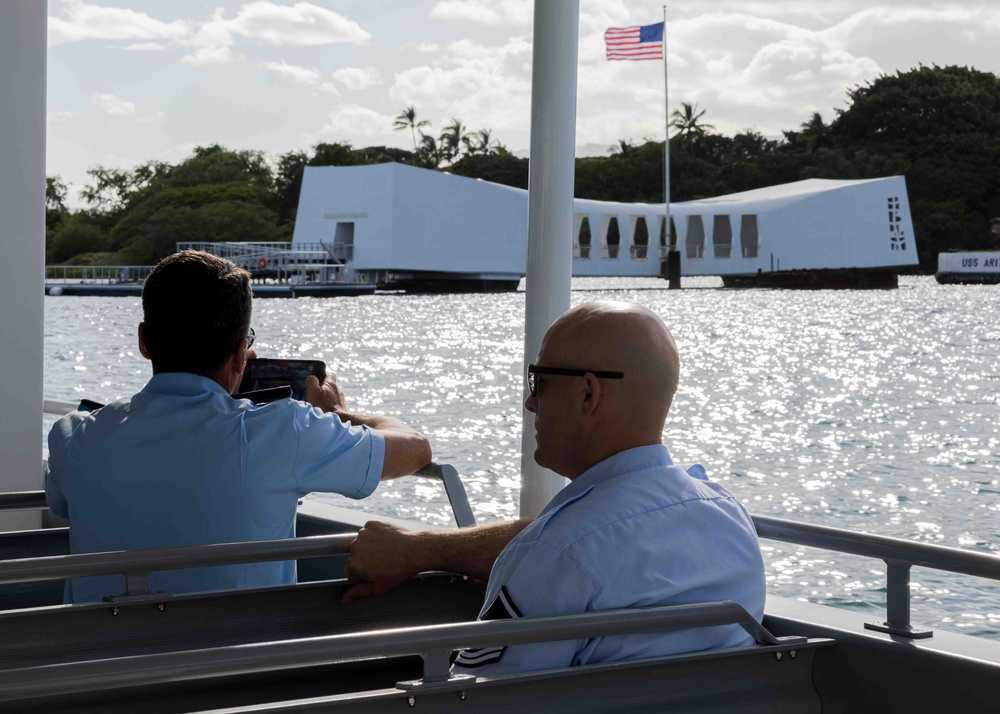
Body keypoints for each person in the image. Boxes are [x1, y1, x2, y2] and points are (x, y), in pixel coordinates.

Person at [342, 300, 765, 675]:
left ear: (587, 394)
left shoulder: (555, 553)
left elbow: (480, 699)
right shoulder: (730, 520)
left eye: (539, 382)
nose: (530, 403)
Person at [45, 250, 432, 604]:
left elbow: (60, 502)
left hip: (101, 671)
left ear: (144, 341)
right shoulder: (282, 430)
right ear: (238, 355)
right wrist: (339, 413)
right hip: (241, 671)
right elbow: (415, 448)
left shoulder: (75, 436)